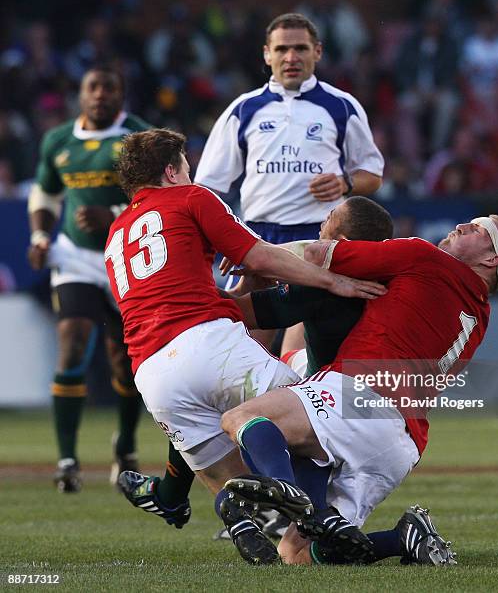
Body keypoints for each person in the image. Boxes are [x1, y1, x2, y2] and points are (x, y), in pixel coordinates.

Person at [104, 128, 386, 564]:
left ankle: (234, 516)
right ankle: (317, 518)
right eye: (185, 164)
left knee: (227, 475)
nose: (190, 172)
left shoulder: (115, 234)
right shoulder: (192, 197)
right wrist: (334, 280)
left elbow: (167, 293)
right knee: (310, 421)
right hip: (205, 341)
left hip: (151, 373)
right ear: (170, 170)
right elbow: (258, 256)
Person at [221, 214, 498, 565]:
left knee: (241, 416)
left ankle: (289, 492)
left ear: (492, 259)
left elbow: (317, 254)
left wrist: (254, 253)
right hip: (400, 445)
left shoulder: (426, 257)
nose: (460, 227)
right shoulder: (479, 315)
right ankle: (402, 539)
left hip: (361, 395)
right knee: (297, 553)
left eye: (476, 229)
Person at [193, 12, 383, 352]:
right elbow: (208, 188)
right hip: (257, 240)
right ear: (267, 54)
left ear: (318, 52)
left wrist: (345, 184)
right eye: (282, 49)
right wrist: (224, 237)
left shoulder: (341, 106)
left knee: (297, 354)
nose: (291, 57)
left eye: (300, 48)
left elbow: (373, 174)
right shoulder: (244, 109)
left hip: (317, 241)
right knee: (244, 356)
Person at [27, 65, 151, 492]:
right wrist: (41, 236)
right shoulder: (58, 141)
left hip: (127, 259)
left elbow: (160, 199)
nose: (100, 95)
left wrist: (112, 215)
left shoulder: (139, 139)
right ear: (80, 95)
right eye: (93, 87)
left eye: (109, 87)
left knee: (126, 361)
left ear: (122, 94)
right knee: (72, 343)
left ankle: (127, 445)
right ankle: (66, 460)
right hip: (75, 258)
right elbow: (45, 193)